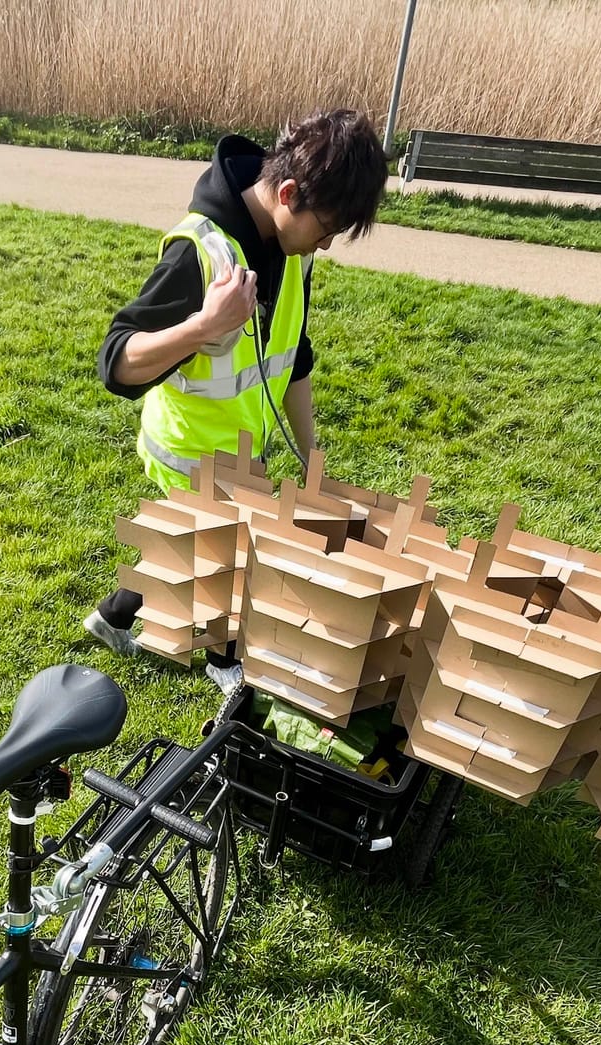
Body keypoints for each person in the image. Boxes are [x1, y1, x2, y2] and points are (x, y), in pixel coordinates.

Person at [86, 108, 389, 657]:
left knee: (194, 540)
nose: (323, 246)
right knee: (233, 559)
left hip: (241, 450)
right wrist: (204, 326)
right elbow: (117, 363)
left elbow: (292, 356)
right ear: (289, 193)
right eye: (326, 230)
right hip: (189, 448)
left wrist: (309, 458)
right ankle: (225, 664)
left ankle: (112, 618)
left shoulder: (293, 253)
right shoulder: (199, 253)